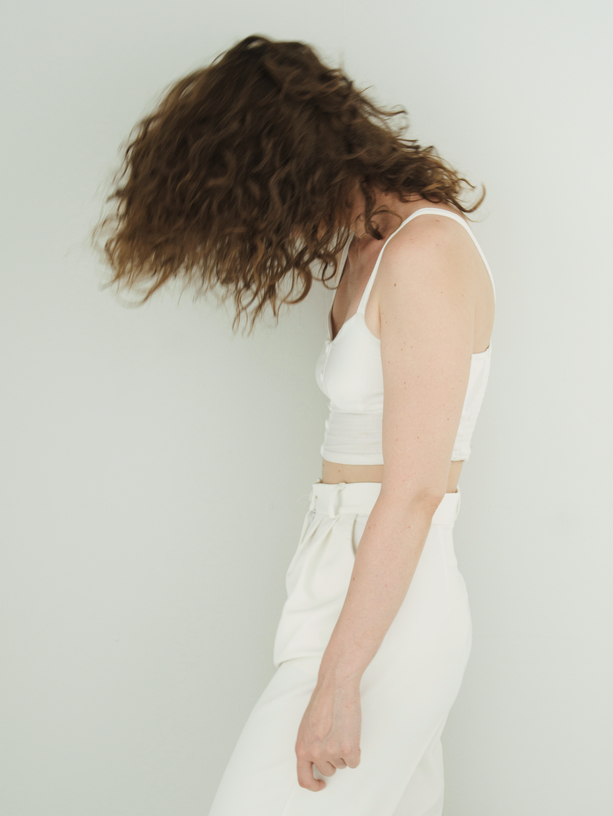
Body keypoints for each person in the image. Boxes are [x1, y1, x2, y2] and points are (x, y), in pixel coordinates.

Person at [90, 34, 496, 816]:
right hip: (335, 573)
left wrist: (339, 679)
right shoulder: (365, 252)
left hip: (391, 597)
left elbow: (412, 492)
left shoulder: (424, 252)